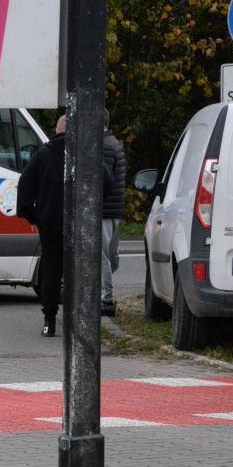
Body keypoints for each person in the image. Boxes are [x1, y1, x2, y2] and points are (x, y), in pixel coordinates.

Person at [17, 116, 114, 337]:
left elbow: (23, 194)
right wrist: (91, 207)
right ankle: (79, 322)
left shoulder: (40, 156)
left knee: (51, 272)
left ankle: (49, 322)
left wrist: (33, 217)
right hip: (81, 225)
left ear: (56, 130)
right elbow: (107, 184)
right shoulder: (87, 154)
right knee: (80, 273)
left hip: (50, 225)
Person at [102, 109, 127, 317]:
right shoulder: (114, 143)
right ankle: (105, 296)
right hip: (114, 209)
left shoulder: (104, 147)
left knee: (101, 258)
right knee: (108, 256)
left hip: (104, 209)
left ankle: (106, 300)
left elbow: (105, 181)